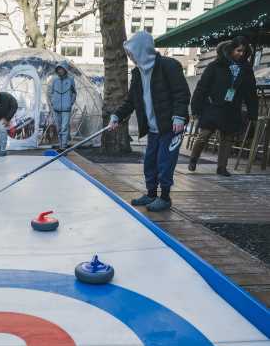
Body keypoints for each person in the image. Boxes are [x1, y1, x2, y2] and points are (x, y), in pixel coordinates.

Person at [109, 30, 190, 212]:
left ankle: (165, 197)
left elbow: (181, 93)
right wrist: (117, 116)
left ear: (141, 50)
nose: (130, 57)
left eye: (131, 53)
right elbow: (131, 101)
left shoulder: (169, 66)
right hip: (153, 128)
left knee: (164, 161)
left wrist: (179, 116)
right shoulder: (138, 73)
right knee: (150, 162)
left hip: (170, 126)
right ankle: (151, 194)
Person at [189, 35, 258, 177]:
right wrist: (195, 107)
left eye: (244, 52)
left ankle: (222, 167)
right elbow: (202, 87)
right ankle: (193, 158)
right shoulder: (215, 65)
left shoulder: (246, 69)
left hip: (232, 108)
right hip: (213, 106)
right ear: (232, 49)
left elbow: (251, 92)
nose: (241, 54)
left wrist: (253, 112)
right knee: (204, 135)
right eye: (238, 50)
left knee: (227, 139)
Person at [48, 61, 77, 151]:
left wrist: (70, 102)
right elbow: (51, 92)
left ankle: (63, 146)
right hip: (56, 107)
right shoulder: (54, 80)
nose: (60, 71)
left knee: (64, 127)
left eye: (61, 69)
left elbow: (74, 93)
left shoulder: (70, 79)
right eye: (58, 69)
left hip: (66, 108)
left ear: (65, 70)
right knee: (59, 127)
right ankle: (61, 144)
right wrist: (53, 102)